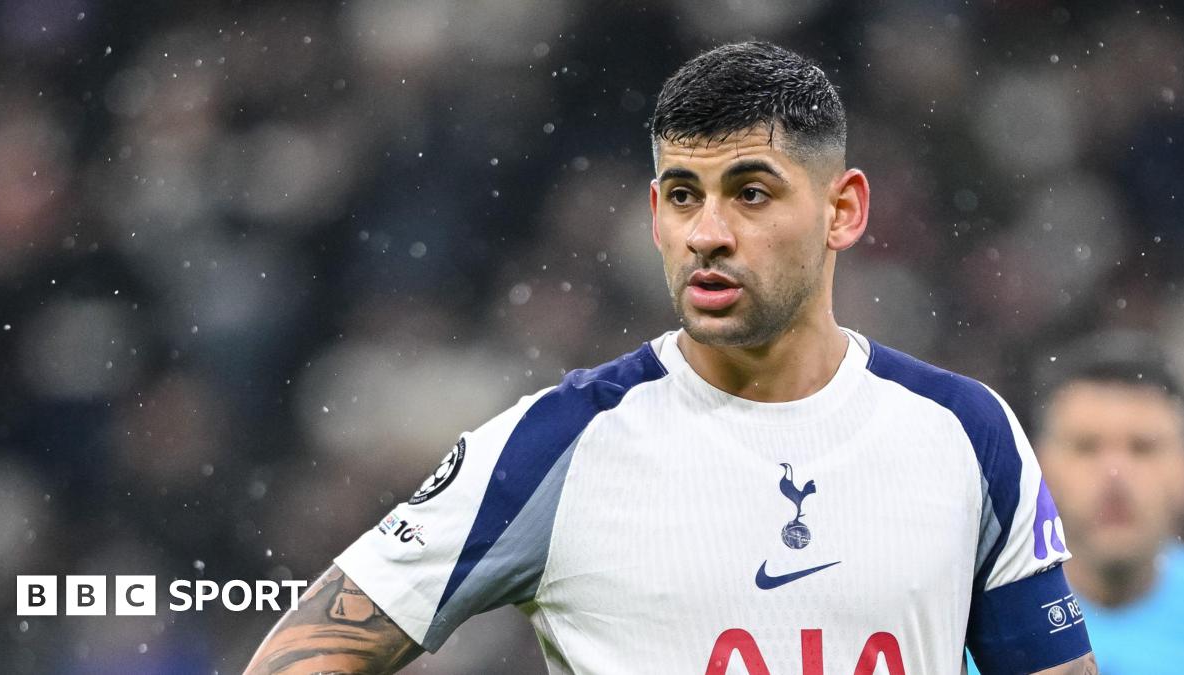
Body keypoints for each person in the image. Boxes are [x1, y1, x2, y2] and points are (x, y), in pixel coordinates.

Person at [245, 42, 1095, 674]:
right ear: (654, 214)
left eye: (751, 193)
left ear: (843, 210)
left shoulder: (966, 432)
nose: (708, 233)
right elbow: (306, 653)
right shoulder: (560, 443)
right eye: (683, 196)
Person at [969, 353, 1184, 674]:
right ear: (1038, 468)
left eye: (1143, 447)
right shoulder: (968, 623)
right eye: (1086, 447)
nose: (1115, 473)